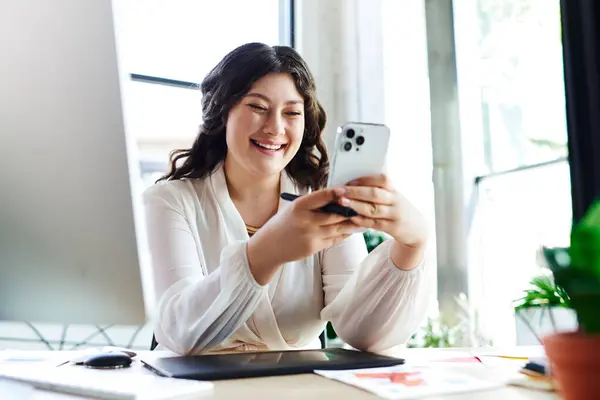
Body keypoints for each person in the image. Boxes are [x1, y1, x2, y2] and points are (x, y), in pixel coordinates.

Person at [143, 42, 431, 356]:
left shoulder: (321, 202)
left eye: (292, 112)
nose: (275, 127)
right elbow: (178, 330)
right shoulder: (170, 200)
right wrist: (265, 253)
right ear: (223, 111)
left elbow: (361, 333)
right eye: (257, 107)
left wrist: (411, 246)